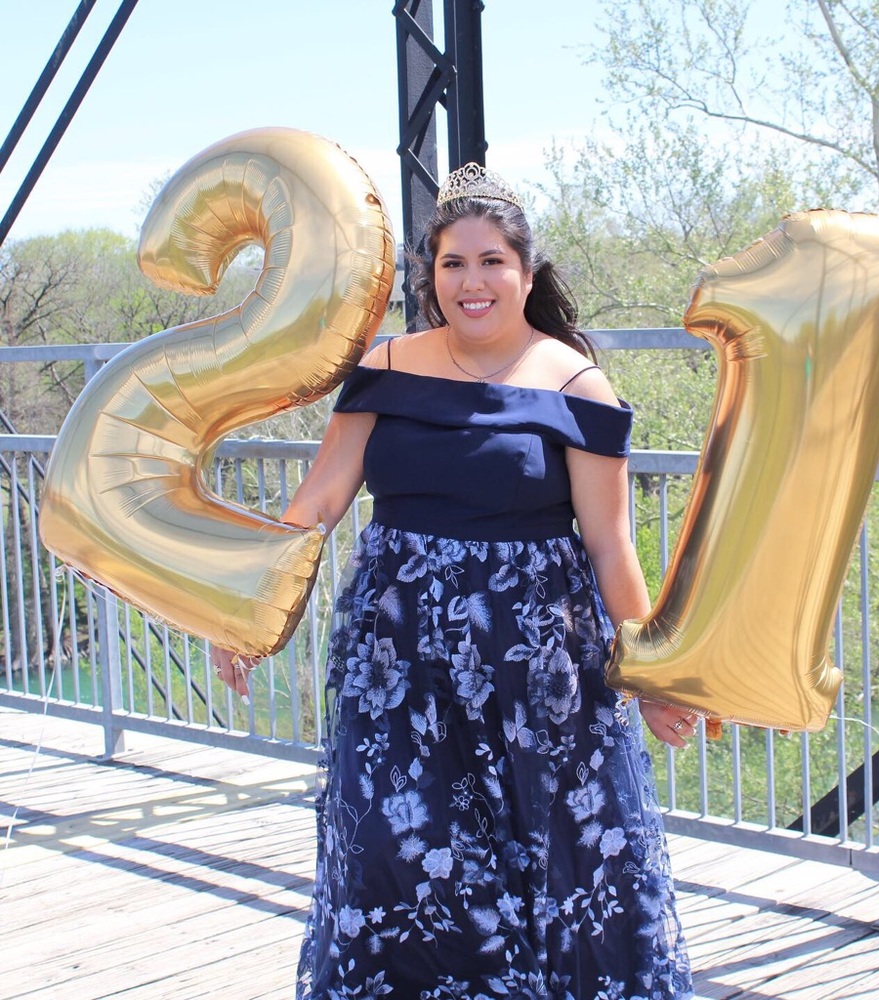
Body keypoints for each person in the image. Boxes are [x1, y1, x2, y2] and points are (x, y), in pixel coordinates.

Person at [213, 162, 695, 999]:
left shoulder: (575, 382)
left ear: (526, 273)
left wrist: (654, 672)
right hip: (396, 659)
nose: (472, 282)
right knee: (394, 851)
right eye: (452, 264)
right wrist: (251, 613)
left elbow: (613, 546)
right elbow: (319, 500)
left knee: (556, 859)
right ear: (432, 276)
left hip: (538, 666)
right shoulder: (388, 366)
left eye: (491, 262)